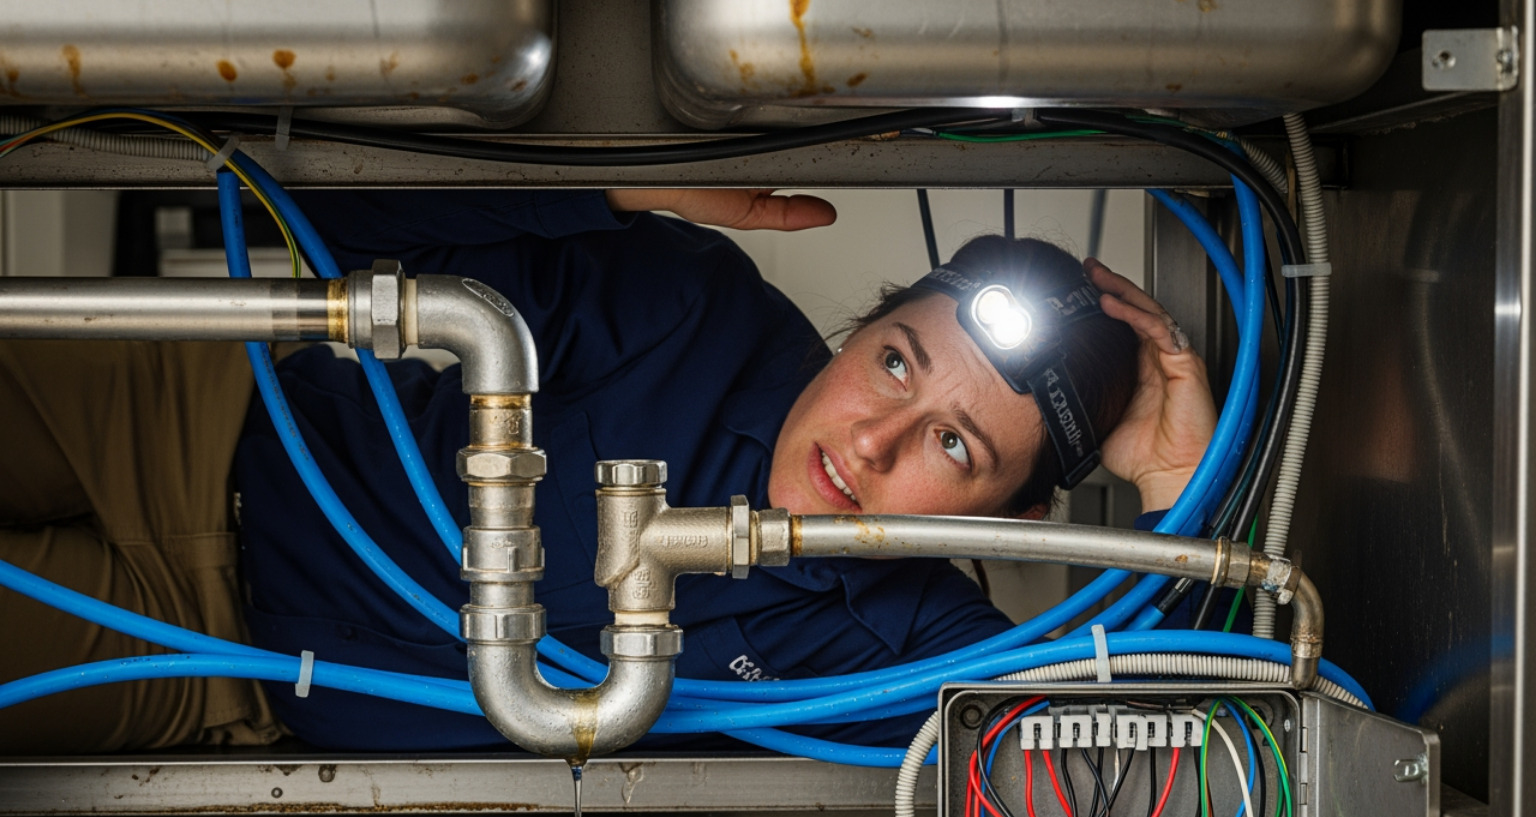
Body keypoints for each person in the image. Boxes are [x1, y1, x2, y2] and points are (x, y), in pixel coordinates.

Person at [0, 188, 1214, 754]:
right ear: (862, 327)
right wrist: (588, 184)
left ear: (1013, 515)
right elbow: (314, 199)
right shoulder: (685, 309)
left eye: (956, 446)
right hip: (205, 412)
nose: (872, 443)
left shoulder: (901, 646)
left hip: (217, 668)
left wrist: (1177, 492)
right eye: (897, 362)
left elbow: (1153, 777)